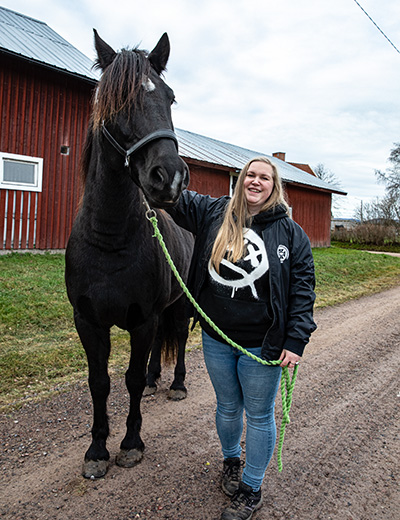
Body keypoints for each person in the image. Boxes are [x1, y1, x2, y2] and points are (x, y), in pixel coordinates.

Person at [167, 157, 316, 520]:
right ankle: (231, 462)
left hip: (262, 345)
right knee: (227, 407)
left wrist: (295, 341)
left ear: (274, 186)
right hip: (217, 338)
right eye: (250, 174)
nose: (255, 181)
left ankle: (251, 487)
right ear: (240, 179)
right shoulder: (213, 212)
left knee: (260, 415)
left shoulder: (291, 234)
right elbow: (171, 194)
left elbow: (302, 291)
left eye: (264, 177)